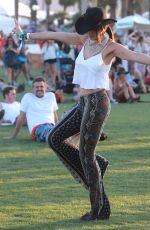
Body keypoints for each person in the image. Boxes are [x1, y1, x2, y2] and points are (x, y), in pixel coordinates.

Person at [12, 6, 150, 221]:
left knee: (86, 156)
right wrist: (25, 34)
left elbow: (137, 56)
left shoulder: (111, 47)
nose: (86, 32)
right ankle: (98, 165)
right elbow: (52, 35)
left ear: (100, 28)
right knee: (54, 138)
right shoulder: (83, 40)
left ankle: (99, 209)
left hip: (98, 103)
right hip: (83, 102)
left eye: (90, 29)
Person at [10, 77, 58, 142]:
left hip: (51, 126)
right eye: (37, 87)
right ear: (33, 88)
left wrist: (58, 127)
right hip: (37, 129)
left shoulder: (51, 96)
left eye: (41, 86)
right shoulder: (28, 97)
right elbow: (21, 118)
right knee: (51, 133)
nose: (39, 89)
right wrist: (14, 135)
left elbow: (55, 115)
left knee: (63, 130)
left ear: (46, 88)